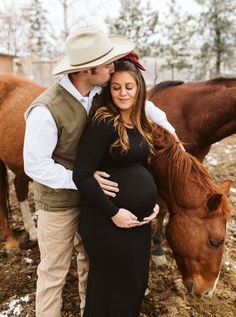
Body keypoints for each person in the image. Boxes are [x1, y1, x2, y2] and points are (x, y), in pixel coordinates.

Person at [23, 27, 182, 317]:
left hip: (92, 202)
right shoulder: (46, 109)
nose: (113, 66)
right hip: (59, 201)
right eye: (107, 62)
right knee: (54, 271)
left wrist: (171, 132)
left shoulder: (98, 92)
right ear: (88, 69)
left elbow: (142, 103)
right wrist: (81, 179)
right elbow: (35, 165)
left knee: (90, 266)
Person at [72, 54, 174, 317]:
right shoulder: (104, 122)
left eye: (129, 87)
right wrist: (114, 213)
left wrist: (151, 204)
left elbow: (142, 168)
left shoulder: (140, 122)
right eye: (116, 87)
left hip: (137, 225)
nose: (122, 93)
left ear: (139, 88)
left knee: (134, 285)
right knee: (111, 290)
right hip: (107, 223)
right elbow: (81, 175)